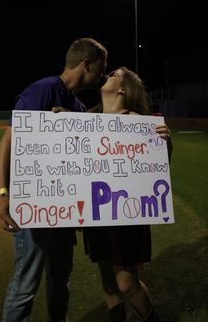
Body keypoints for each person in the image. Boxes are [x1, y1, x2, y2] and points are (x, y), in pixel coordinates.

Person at [0, 37, 108, 322]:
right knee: (25, 286)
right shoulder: (43, 90)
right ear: (87, 64)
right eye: (101, 68)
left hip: (64, 213)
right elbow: (8, 141)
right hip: (34, 209)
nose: (103, 75)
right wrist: (2, 193)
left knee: (60, 281)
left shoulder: (78, 107)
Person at [83, 66, 173, 322]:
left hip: (127, 215)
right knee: (109, 282)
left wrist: (164, 142)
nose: (107, 75)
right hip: (97, 212)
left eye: (113, 74)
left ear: (123, 88)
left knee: (125, 283)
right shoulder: (87, 120)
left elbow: (158, 168)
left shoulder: (139, 123)